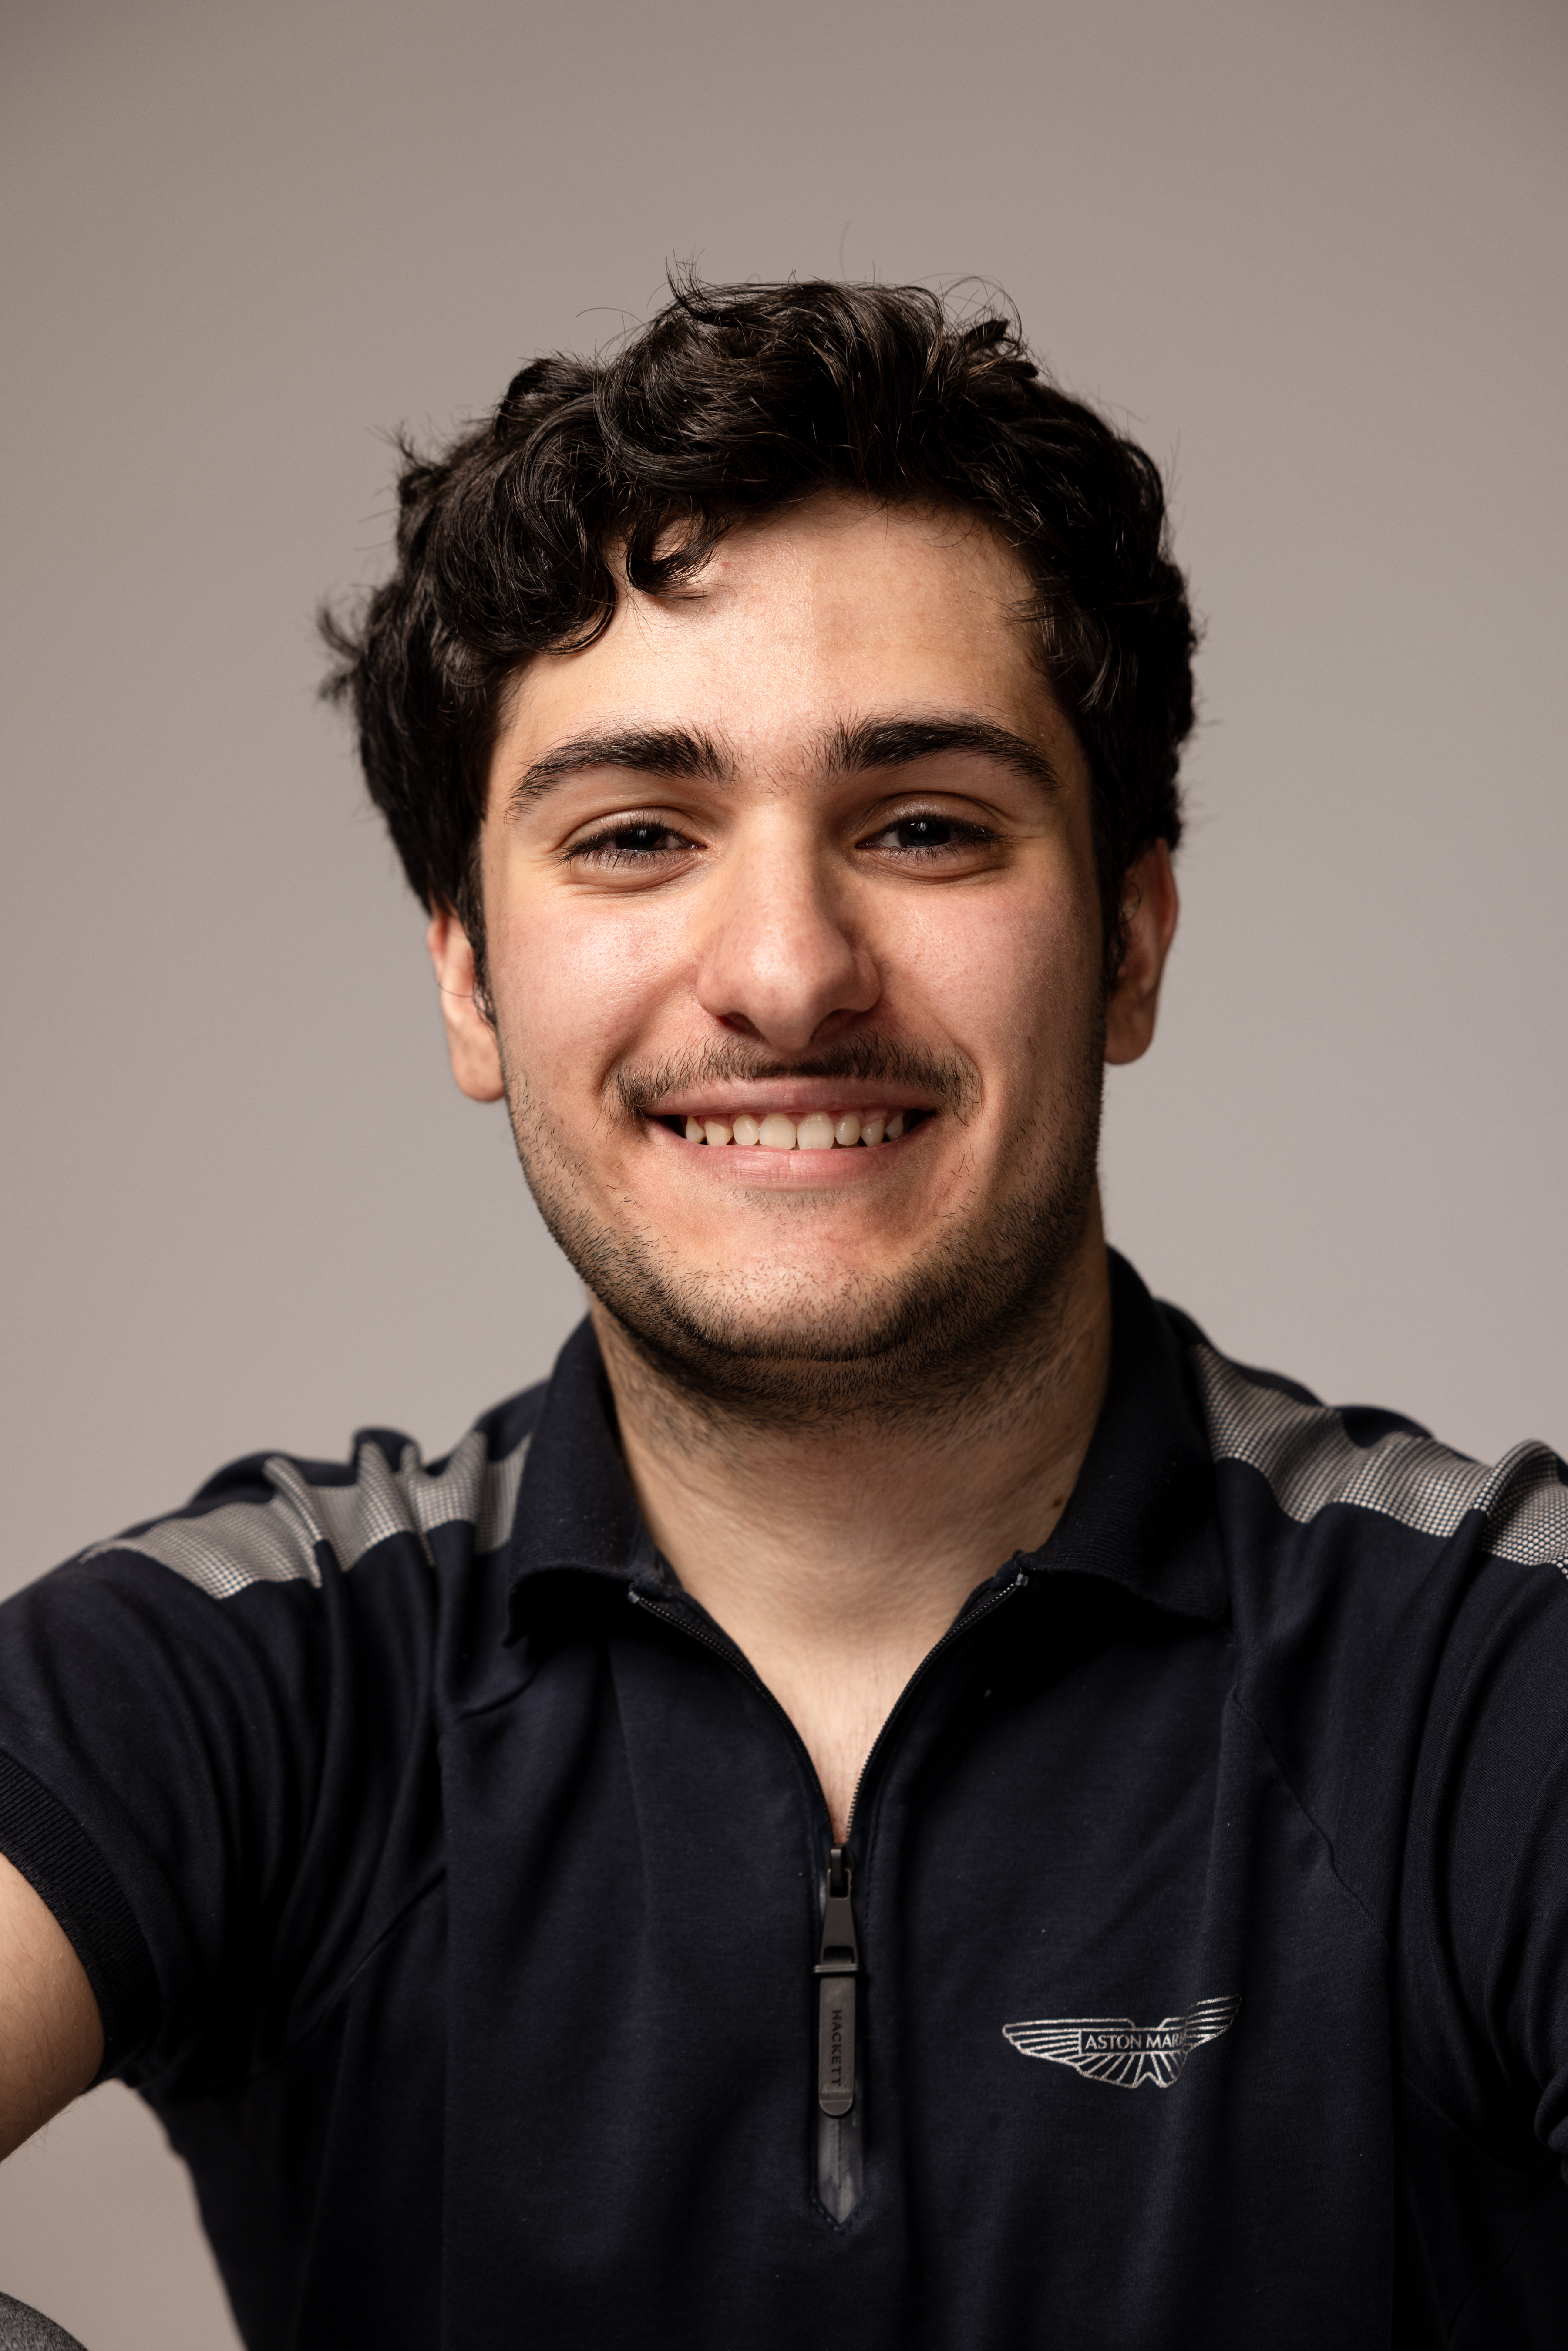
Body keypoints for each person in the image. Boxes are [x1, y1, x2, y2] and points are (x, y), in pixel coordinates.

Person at [0, 276, 1564, 2351]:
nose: (784, 972)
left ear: (1126, 941)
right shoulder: (246, 1671)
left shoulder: (1486, 1663)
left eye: (922, 826)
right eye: (637, 836)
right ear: (472, 981)